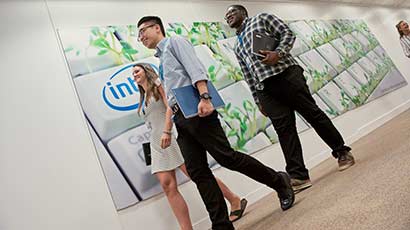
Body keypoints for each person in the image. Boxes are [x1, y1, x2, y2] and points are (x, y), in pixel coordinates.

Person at [137, 16, 295, 230]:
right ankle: (220, 225)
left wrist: (205, 97)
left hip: (198, 110)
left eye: (143, 31)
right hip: (180, 118)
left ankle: (279, 181)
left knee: (227, 158)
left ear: (157, 28)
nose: (141, 37)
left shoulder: (175, 42)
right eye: (138, 35)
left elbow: (195, 69)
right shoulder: (161, 58)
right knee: (198, 172)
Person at [224, 4, 355, 194]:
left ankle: (342, 152)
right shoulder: (237, 45)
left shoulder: (262, 18)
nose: (228, 17)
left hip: (286, 75)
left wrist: (278, 53)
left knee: (313, 114)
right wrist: (257, 99)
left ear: (243, 13)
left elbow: (288, 33)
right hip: (265, 89)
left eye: (231, 12)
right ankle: (299, 175)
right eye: (226, 16)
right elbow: (247, 73)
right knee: (284, 131)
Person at [132, 63, 248, 229]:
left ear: (146, 71)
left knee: (198, 175)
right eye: (132, 73)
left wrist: (167, 130)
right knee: (166, 184)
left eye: (136, 71)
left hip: (171, 136)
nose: (134, 75)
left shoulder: (158, 85)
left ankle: (234, 199)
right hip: (157, 144)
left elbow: (170, 107)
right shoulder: (142, 97)